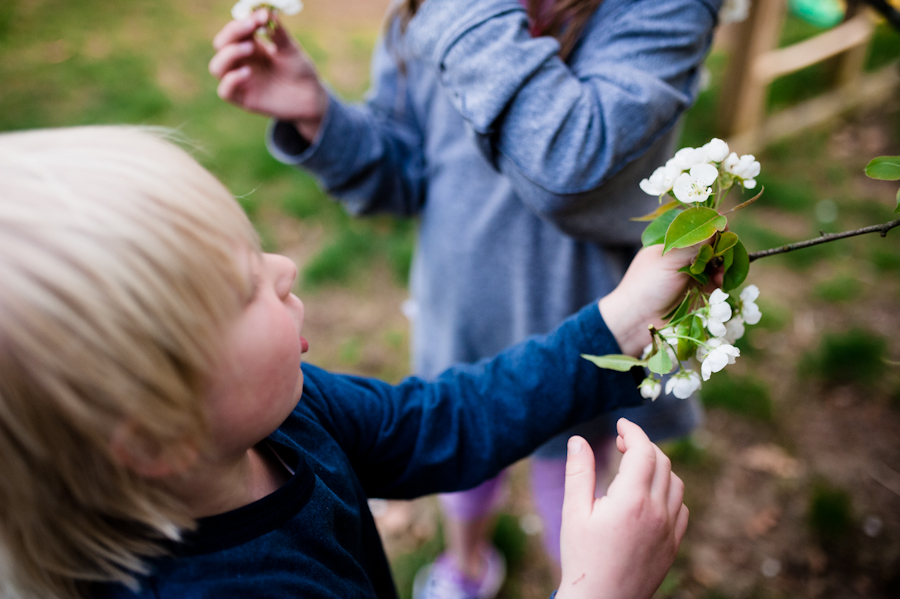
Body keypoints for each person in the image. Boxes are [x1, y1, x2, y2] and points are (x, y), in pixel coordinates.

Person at [0, 126, 699, 599]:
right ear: (156, 431)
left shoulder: (278, 415)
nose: (285, 266)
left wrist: (621, 321)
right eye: (244, 288)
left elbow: (439, 422)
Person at [210, 0, 720, 595]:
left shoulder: (661, 10)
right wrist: (321, 116)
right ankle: (469, 563)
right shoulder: (422, 15)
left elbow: (568, 166)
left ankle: (580, 572)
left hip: (581, 312)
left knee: (574, 479)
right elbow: (404, 174)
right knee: (459, 454)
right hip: (462, 309)